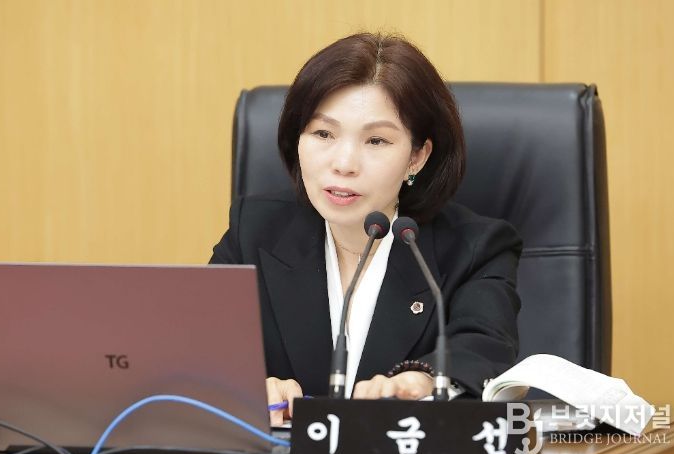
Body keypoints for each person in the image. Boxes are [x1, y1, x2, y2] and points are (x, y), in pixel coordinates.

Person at [211, 32, 522, 425]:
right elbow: (199, 346)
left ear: (416, 157)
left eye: (375, 140)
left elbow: (483, 347)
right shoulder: (254, 230)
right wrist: (247, 385)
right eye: (323, 134)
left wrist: (423, 381)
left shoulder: (475, 248)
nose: (344, 163)